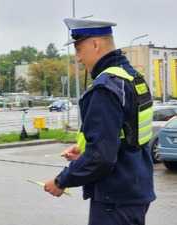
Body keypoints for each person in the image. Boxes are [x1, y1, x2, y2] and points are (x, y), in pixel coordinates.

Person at [44, 17, 156, 225]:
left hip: (114, 200)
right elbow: (127, 136)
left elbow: (101, 157)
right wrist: (84, 148)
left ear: (95, 44)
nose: (77, 58)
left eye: (78, 49)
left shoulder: (106, 86)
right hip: (135, 191)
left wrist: (61, 181)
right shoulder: (133, 77)